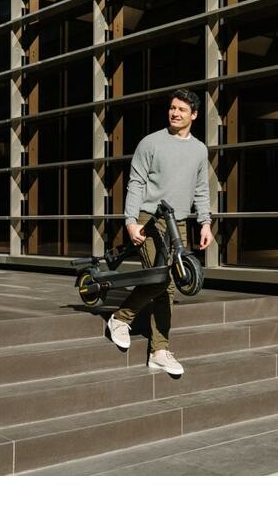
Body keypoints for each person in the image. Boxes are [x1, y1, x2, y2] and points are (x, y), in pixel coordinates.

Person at [106, 88, 213, 375]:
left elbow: (201, 189)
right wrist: (131, 221)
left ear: (194, 115)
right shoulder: (150, 143)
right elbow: (136, 183)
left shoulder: (199, 150)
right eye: (172, 108)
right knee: (162, 279)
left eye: (181, 109)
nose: (175, 113)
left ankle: (156, 349)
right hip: (150, 219)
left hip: (179, 223)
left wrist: (205, 222)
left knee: (169, 282)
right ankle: (127, 324)